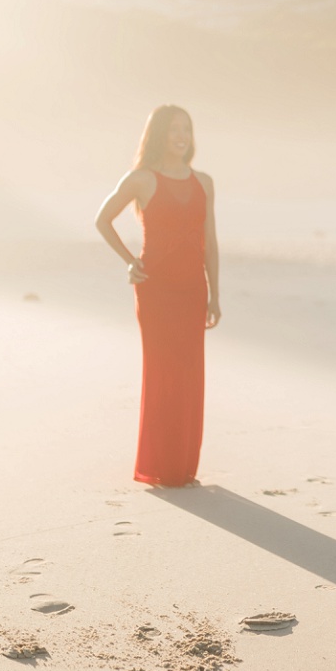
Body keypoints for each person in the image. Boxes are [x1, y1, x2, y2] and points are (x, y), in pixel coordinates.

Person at [95, 105, 221, 488]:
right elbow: (102, 220)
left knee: (190, 376)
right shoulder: (141, 179)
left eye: (187, 129)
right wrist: (130, 261)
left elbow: (209, 242)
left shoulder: (204, 181)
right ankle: (162, 466)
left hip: (192, 290)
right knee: (163, 374)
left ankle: (183, 467)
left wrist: (215, 293)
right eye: (173, 129)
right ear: (159, 135)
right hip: (156, 291)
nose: (181, 136)